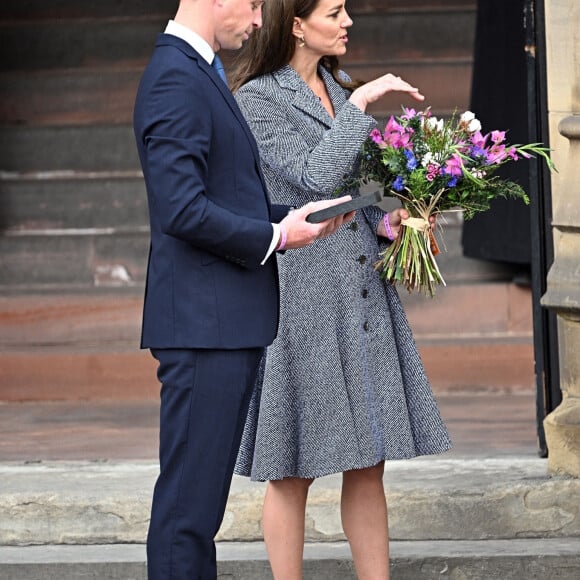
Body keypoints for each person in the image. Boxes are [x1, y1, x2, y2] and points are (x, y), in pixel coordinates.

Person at [132, 1, 355, 578]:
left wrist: (293, 216)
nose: (259, 21)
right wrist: (276, 236)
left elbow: (223, 197)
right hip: (204, 326)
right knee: (188, 512)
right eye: (254, 3)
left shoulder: (197, 68)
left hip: (222, 324)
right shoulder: (175, 75)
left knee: (197, 509)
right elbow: (181, 209)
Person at [231, 1, 452, 578]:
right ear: (297, 25)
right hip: (299, 298)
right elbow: (313, 177)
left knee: (370, 461)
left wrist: (392, 223)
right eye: (335, 10)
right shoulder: (255, 101)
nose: (348, 19)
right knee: (291, 468)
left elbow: (357, 193)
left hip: (360, 292)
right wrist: (357, 105)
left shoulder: (337, 87)